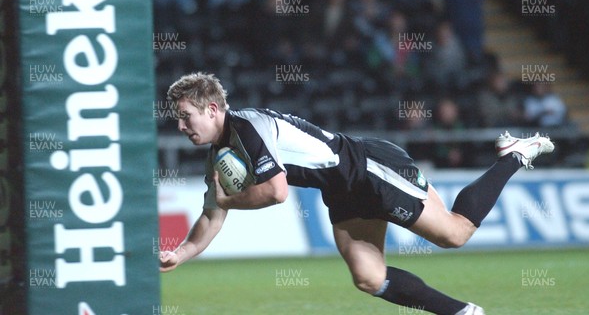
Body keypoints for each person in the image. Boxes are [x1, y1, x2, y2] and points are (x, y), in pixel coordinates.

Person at [159, 72, 555, 315]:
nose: (181, 126)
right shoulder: (221, 153)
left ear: (212, 109)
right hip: (343, 191)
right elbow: (212, 215)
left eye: (185, 116)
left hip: (369, 169)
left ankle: (513, 156)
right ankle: (462, 312)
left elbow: (276, 192)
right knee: (368, 278)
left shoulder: (248, 127)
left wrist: (229, 200)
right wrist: (181, 253)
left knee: (455, 234)